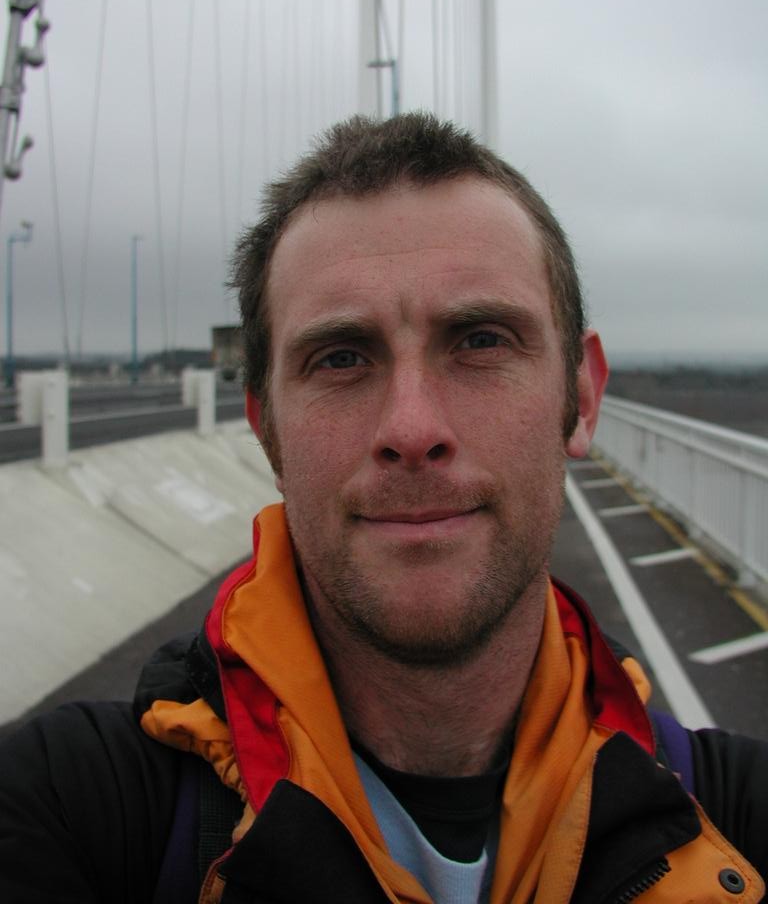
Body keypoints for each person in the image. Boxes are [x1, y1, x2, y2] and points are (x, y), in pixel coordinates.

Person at [0, 113, 765, 904]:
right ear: (267, 429)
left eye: (480, 340)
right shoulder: (70, 809)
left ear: (581, 396)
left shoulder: (743, 815)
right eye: (340, 357)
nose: (411, 429)